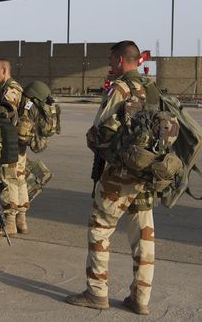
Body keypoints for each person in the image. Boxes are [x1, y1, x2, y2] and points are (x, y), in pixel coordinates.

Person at [66, 41, 155, 315]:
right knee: (144, 235)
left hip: (120, 174)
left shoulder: (120, 88)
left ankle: (96, 292)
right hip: (147, 171)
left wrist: (94, 142)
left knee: (100, 228)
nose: (109, 64)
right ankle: (140, 298)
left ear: (118, 60)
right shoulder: (151, 88)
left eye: (110, 60)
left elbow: (98, 129)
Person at [0, 58, 28, 235]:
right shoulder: (7, 89)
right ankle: (22, 220)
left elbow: (7, 113)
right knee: (19, 179)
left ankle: (11, 222)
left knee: (9, 180)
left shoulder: (11, 88)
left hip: (10, 141)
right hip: (18, 141)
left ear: (4, 71)